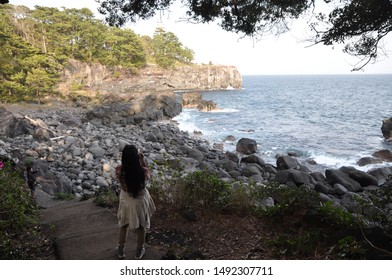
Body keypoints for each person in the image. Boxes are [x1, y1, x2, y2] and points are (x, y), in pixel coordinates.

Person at [115, 145, 156, 259]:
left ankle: (121, 249)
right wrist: (142, 160)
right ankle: (139, 250)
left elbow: (122, 175)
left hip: (125, 199)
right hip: (140, 200)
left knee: (123, 224)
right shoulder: (143, 171)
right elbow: (148, 175)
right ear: (136, 157)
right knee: (141, 226)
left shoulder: (119, 170)